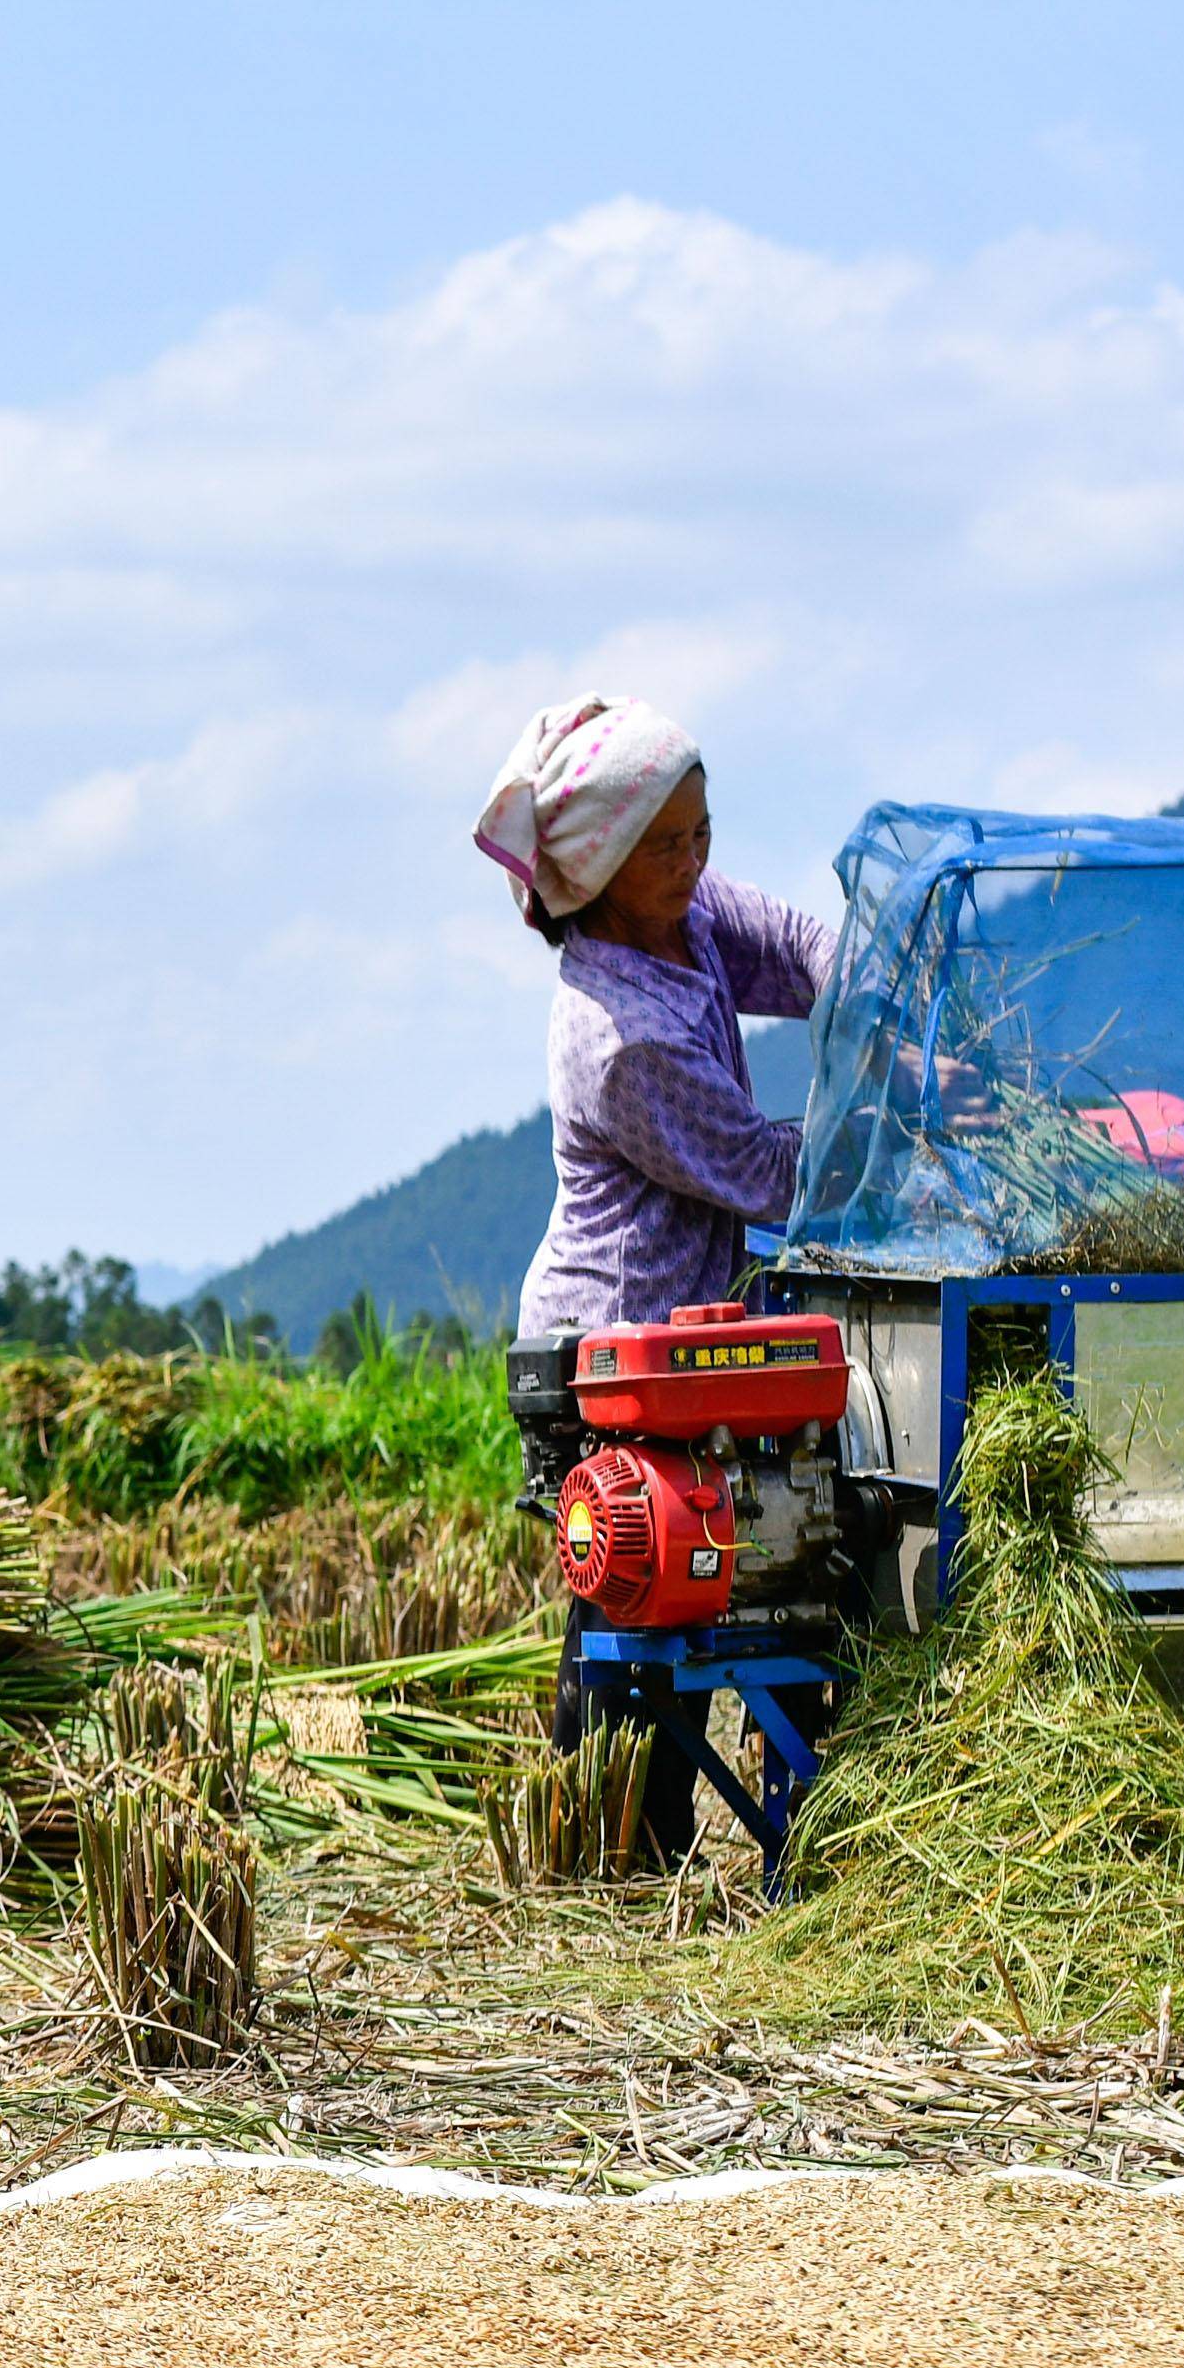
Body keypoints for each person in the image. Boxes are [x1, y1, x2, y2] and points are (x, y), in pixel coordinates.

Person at [474, 694, 832, 1865]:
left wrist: (894, 1000)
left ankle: (676, 1843)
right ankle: (623, 1864)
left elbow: (802, 948)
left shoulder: (689, 910)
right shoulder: (616, 1032)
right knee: (645, 1585)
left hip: (694, 1339)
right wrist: (894, 1131)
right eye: (667, 845)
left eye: (703, 832)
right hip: (615, 1344)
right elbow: (751, 1166)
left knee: (726, 1576)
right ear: (599, 869)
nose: (694, 861)